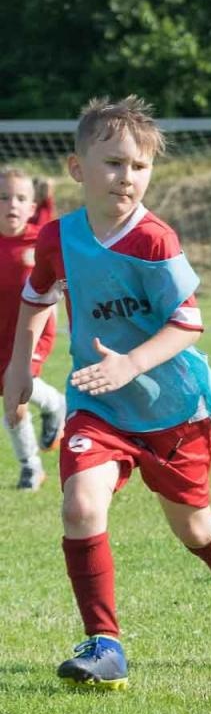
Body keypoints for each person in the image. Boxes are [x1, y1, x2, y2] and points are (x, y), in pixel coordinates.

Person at [2, 96, 211, 689]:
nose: (128, 177)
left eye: (139, 166)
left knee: (193, 527)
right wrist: (18, 367)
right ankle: (105, 644)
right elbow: (37, 299)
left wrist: (131, 364)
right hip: (98, 404)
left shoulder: (154, 239)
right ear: (77, 169)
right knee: (79, 505)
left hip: (171, 408)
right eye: (114, 163)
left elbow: (188, 323)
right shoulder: (57, 238)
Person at [0, 168, 66, 489]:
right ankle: (56, 404)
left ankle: (31, 467)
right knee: (7, 390)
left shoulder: (41, 239)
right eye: (3, 197)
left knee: (13, 395)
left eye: (21, 198)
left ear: (31, 207)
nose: (12, 204)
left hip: (32, 334)